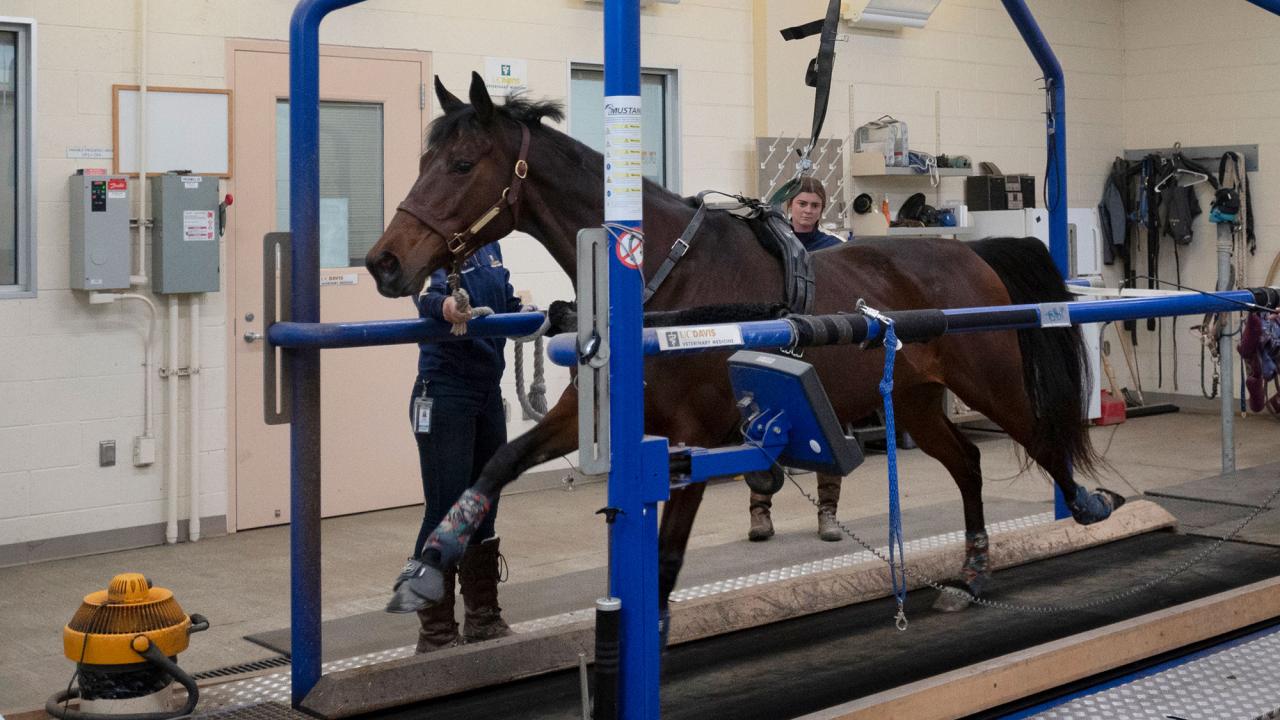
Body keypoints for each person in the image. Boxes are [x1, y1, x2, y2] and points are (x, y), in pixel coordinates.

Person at [392, 241, 524, 653]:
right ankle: (435, 633)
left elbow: (506, 298)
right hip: (445, 392)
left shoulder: (491, 246)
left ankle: (482, 617)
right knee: (446, 509)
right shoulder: (437, 243)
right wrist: (446, 308)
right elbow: (426, 295)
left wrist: (535, 312)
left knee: (482, 505)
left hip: (486, 391)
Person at [749, 176, 845, 542]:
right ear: (789, 207)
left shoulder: (833, 250)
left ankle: (828, 512)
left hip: (821, 351)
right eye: (801, 204)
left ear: (822, 209)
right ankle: (760, 511)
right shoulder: (773, 245)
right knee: (765, 427)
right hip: (778, 348)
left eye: (814, 205)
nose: (807, 211)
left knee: (830, 427)